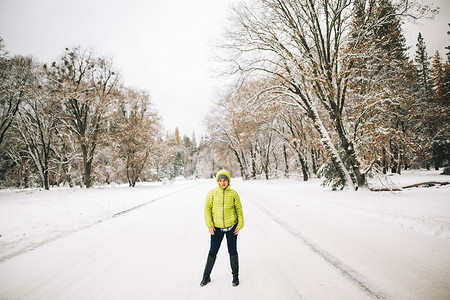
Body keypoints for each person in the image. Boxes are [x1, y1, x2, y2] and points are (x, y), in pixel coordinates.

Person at [200, 169, 244, 287]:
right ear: (217, 181)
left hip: (231, 228)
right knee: (213, 251)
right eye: (220, 180)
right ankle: (206, 276)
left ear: (228, 181)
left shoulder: (234, 194)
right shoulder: (212, 193)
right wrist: (209, 225)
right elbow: (207, 210)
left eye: (225, 180)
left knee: (233, 251)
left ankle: (235, 277)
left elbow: (239, 211)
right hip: (216, 229)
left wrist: (240, 225)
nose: (222, 183)